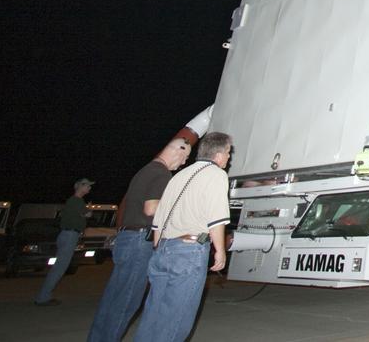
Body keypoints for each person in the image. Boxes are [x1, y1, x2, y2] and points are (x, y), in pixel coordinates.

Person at [87, 136, 193, 341]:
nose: (184, 162)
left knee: (114, 299)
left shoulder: (145, 170)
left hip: (128, 238)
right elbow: (152, 208)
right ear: (178, 151)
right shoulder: (162, 174)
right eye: (185, 157)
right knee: (125, 302)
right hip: (138, 242)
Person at [133, 132, 232, 342]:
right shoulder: (216, 174)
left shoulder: (179, 176)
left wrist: (160, 248)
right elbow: (216, 218)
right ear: (219, 154)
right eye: (228, 153)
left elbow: (158, 219)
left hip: (163, 250)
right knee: (175, 322)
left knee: (153, 315)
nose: (229, 158)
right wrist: (220, 252)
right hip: (188, 252)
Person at [35, 177, 94, 305]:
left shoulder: (74, 201)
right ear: (80, 186)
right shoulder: (77, 201)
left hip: (68, 235)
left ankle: (44, 295)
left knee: (59, 267)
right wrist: (87, 210)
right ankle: (43, 297)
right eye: (88, 186)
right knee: (59, 267)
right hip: (70, 235)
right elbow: (88, 214)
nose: (89, 188)